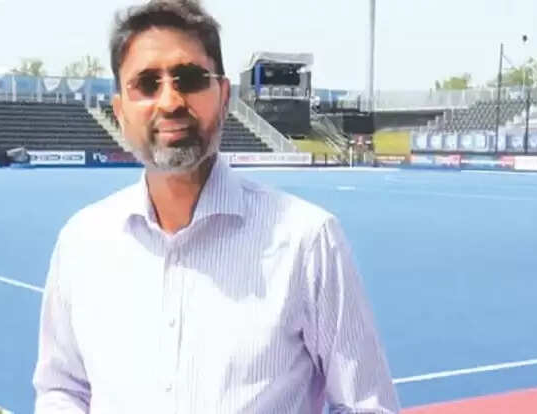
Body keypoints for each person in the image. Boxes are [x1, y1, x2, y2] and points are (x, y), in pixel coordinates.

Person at [33, 1, 401, 413]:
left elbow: (366, 405)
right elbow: (62, 389)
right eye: (147, 84)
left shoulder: (306, 241)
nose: (170, 101)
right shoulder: (82, 243)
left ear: (224, 96)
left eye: (190, 79)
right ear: (120, 111)